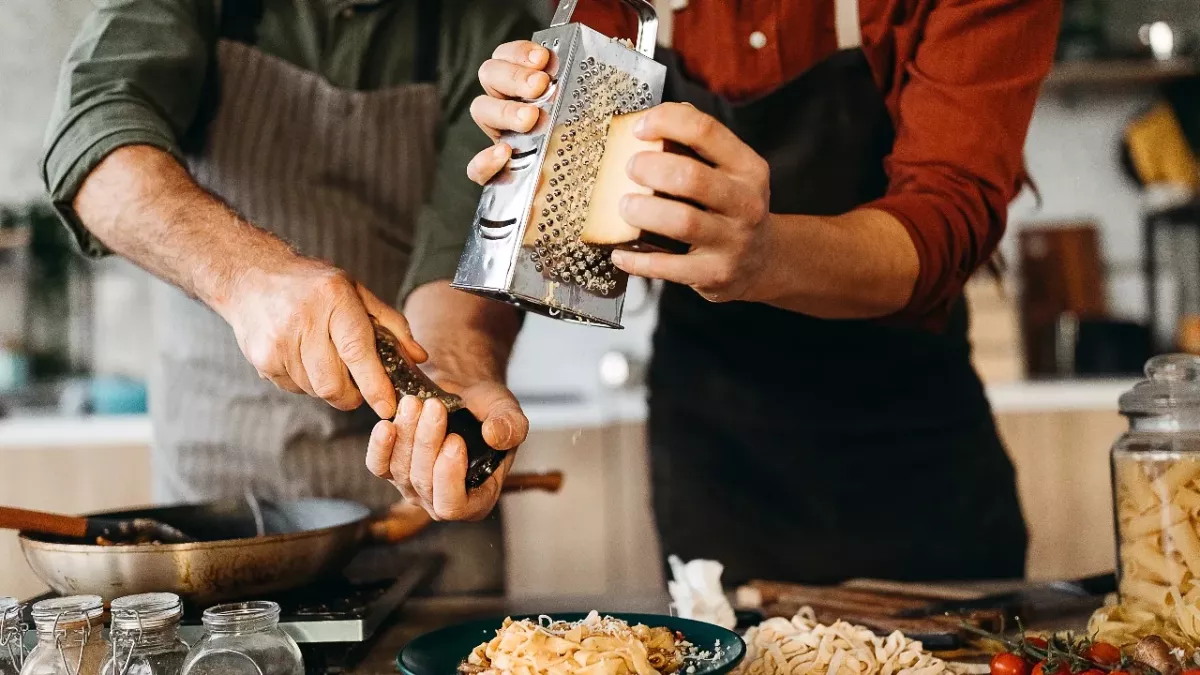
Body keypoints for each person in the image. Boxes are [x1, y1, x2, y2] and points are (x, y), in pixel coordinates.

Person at [375, 0, 1062, 584]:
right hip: (717, 457)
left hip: (916, 453)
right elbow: (558, 185)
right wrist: (461, 362)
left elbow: (948, 217)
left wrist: (764, 256)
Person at [42, 0, 536, 593]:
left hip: (417, 521)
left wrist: (451, 387)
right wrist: (248, 277)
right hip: (216, 518)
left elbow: (469, 254)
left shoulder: (492, 26)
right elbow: (95, 136)